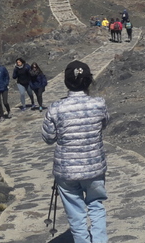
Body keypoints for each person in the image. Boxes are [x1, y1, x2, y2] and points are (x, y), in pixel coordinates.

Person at [42, 61, 109, 243]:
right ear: (88, 81)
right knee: (96, 206)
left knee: (75, 213)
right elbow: (103, 124)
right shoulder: (99, 104)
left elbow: (48, 137)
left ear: (66, 82)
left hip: (67, 169)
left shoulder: (56, 108)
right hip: (94, 166)